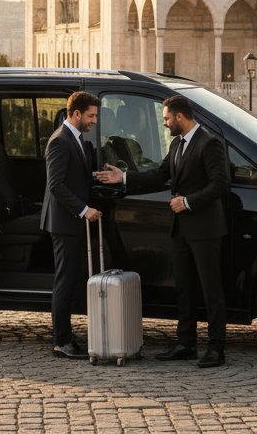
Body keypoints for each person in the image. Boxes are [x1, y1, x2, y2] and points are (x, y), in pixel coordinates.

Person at [95, 93, 229, 367]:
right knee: (184, 287)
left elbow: (219, 185)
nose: (165, 123)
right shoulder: (178, 145)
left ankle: (216, 348)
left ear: (180, 116)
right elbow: (159, 174)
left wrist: (187, 202)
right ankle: (186, 344)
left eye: (167, 118)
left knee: (210, 289)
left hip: (205, 229)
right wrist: (125, 178)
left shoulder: (210, 143)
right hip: (180, 229)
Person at [40, 91, 102, 359]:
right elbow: (56, 186)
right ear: (76, 114)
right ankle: (61, 341)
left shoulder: (75, 139)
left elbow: (75, 177)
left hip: (71, 221)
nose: (94, 121)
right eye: (91, 116)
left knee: (71, 279)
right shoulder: (59, 141)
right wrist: (84, 209)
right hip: (65, 222)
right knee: (64, 281)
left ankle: (66, 336)